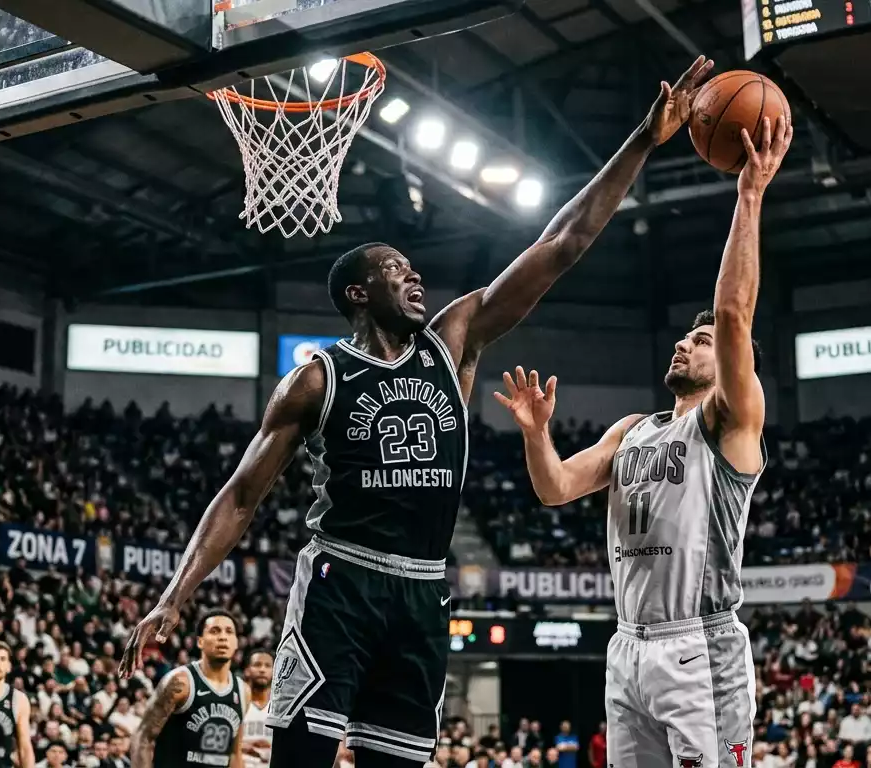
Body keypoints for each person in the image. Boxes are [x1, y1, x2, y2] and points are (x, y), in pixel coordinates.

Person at [117, 55, 719, 768]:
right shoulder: (317, 379)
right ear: (357, 294)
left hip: (423, 591)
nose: (415, 276)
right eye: (395, 270)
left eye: (414, 267)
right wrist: (176, 595)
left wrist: (644, 140)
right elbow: (242, 495)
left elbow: (561, 245)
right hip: (340, 582)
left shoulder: (455, 339)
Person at [493, 111, 793, 767]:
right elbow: (556, 489)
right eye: (685, 338)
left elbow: (734, 315)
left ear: (735, 367)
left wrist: (749, 196)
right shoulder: (632, 429)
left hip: (700, 643)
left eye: (702, 341)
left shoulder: (728, 421)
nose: (687, 342)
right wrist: (536, 435)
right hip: (627, 644)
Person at [130, 611, 247, 768]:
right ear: (200, 641)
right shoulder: (180, 682)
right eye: (214, 631)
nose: (223, 637)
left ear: (236, 643)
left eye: (229, 632)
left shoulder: (243, 690)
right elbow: (143, 738)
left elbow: (234, 753)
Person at [241, 650, 274, 768]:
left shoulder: (281, 710)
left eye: (268, 666)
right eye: (257, 665)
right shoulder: (236, 704)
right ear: (247, 670)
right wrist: (246, 746)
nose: (262, 670)